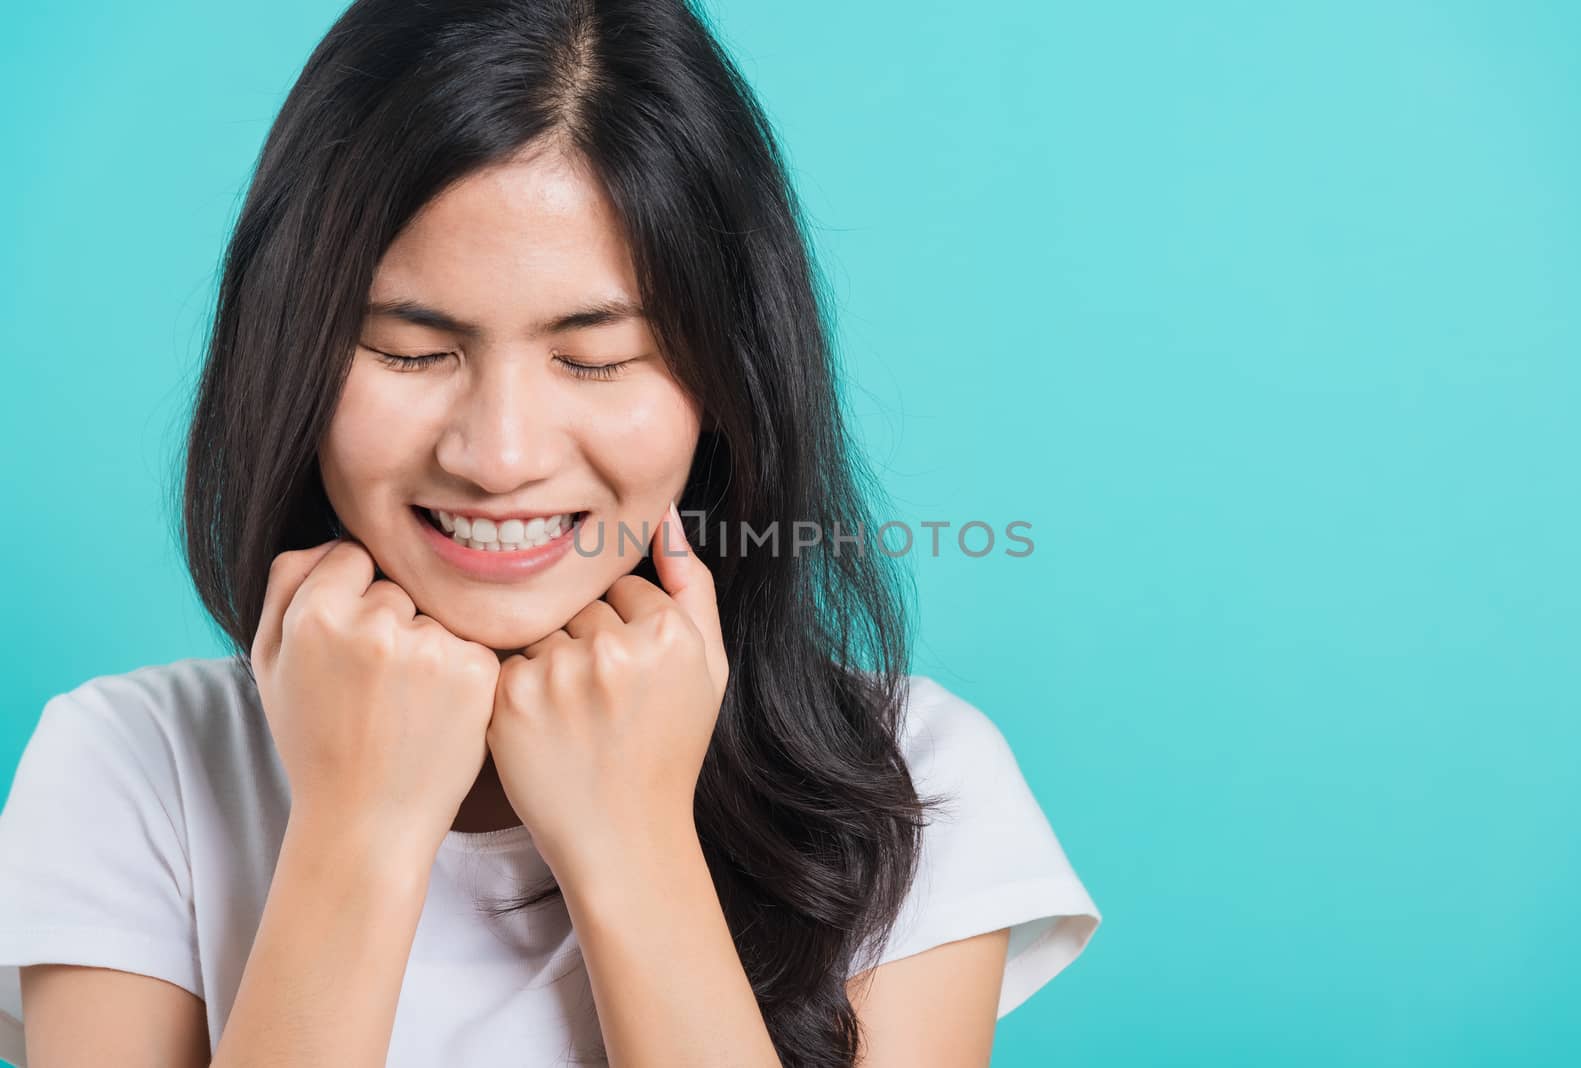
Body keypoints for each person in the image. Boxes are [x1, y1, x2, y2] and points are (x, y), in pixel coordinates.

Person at [0, 0, 1102, 1064]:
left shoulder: (907, 779)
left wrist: (630, 841)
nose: (499, 454)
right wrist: (358, 829)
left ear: (725, 380)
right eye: (410, 350)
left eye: (597, 358)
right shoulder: (134, 769)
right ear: (290, 355)